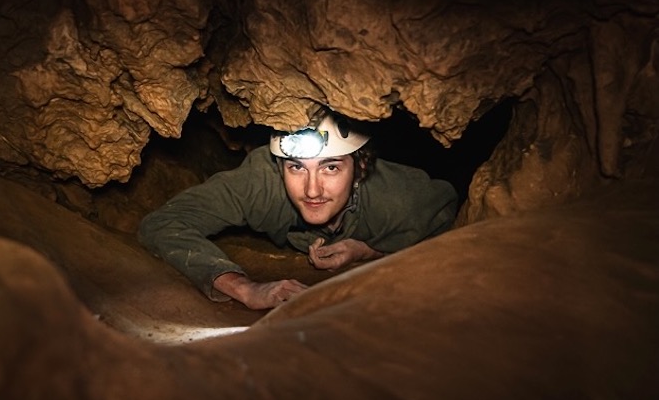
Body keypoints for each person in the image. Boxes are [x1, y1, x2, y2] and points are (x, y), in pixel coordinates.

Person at [137, 109, 458, 310]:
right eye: (296, 168)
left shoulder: (398, 198)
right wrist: (244, 288)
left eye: (330, 168)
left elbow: (459, 231)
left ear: (360, 167)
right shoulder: (261, 183)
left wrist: (368, 250)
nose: (312, 189)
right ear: (280, 166)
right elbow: (164, 224)